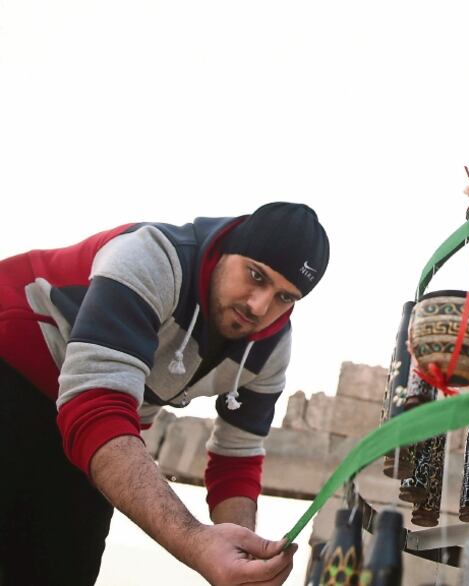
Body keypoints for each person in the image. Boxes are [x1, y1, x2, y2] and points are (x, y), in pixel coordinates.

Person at [0, 202, 329, 585]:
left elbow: (236, 458)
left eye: (285, 297)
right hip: (14, 367)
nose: (260, 306)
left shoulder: (271, 348)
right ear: (228, 250)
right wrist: (196, 542)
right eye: (255, 275)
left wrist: (243, 557)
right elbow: (96, 407)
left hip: (94, 430)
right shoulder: (152, 255)